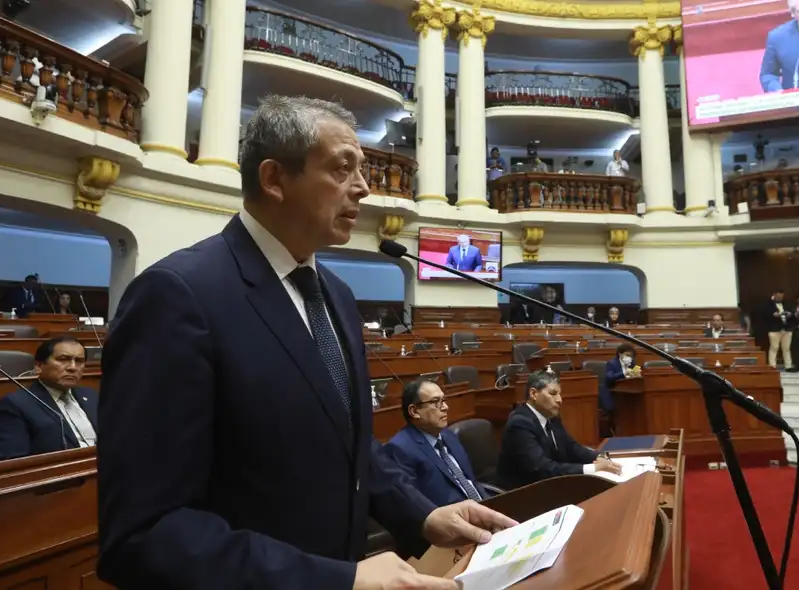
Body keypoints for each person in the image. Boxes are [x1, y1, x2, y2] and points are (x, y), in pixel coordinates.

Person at [96, 96, 515, 590]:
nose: (362, 188)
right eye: (343, 169)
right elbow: (145, 534)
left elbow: (349, 446)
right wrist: (336, 580)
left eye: (362, 170)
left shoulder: (334, 294)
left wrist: (423, 516)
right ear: (274, 179)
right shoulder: (179, 296)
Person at [496, 370, 622, 490]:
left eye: (559, 394)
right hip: (521, 495)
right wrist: (593, 468)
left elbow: (571, 447)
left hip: (547, 487)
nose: (559, 400)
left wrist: (599, 456)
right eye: (552, 394)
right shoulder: (520, 423)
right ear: (534, 394)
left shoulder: (551, 417)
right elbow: (542, 468)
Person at [0, 336, 97, 462]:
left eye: (79, 361)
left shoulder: (91, 396)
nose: (73, 367)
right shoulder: (15, 405)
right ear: (39, 366)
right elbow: (10, 464)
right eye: (63, 359)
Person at [383, 380, 488, 507]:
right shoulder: (400, 449)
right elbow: (413, 506)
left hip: (484, 507)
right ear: (414, 411)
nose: (445, 407)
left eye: (444, 400)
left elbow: (471, 481)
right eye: (435, 402)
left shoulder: (449, 435)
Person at [763, 290, 795, 371]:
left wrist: (790, 314)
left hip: (786, 328)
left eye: (781, 297)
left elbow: (792, 312)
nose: (780, 298)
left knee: (786, 348)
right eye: (778, 296)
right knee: (774, 347)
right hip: (774, 329)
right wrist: (773, 314)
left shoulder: (787, 304)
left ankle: (788, 366)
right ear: (774, 295)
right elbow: (765, 314)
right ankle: (772, 366)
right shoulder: (768, 304)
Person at [602, 344, 637, 413]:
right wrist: (624, 373)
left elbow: (634, 372)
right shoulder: (611, 363)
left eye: (631, 356)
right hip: (612, 391)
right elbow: (610, 377)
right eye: (627, 355)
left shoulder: (632, 362)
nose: (629, 358)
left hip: (628, 390)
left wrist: (636, 374)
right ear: (620, 354)